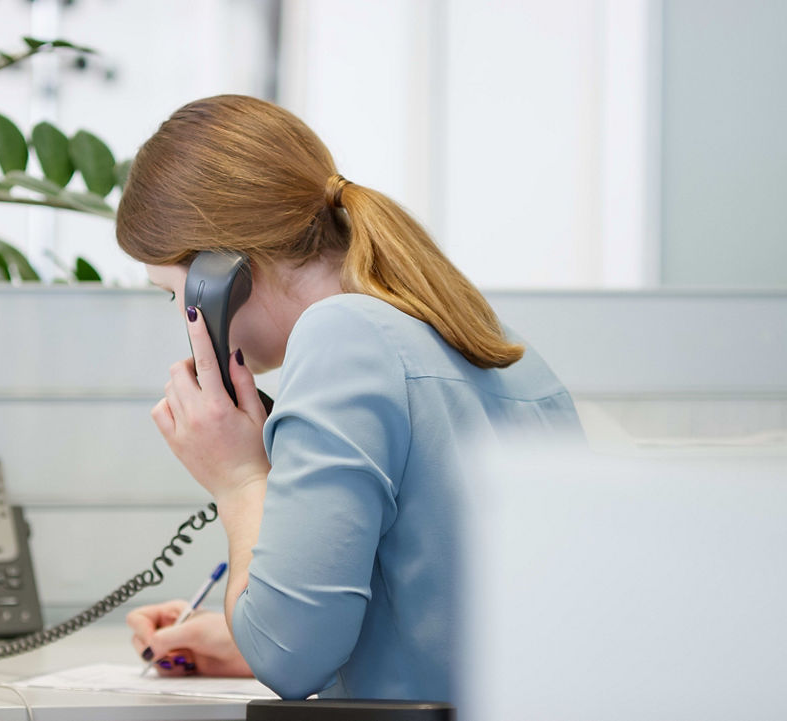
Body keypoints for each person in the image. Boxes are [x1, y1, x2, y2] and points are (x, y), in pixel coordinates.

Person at [115, 95, 581, 702]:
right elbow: (439, 619)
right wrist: (239, 640)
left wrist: (237, 479)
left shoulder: (341, 337)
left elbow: (289, 661)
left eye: (172, 293)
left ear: (218, 275)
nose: (181, 315)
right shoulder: (496, 343)